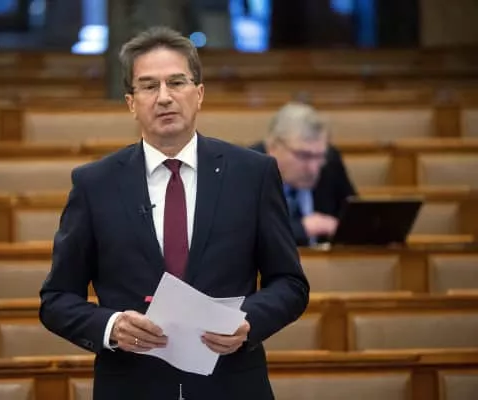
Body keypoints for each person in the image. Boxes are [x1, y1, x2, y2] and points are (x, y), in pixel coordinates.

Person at [39, 26, 309, 400]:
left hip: (231, 385)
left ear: (199, 94)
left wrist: (248, 322)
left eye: (177, 82)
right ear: (131, 103)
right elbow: (56, 299)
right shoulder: (94, 184)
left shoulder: (253, 174)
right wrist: (111, 325)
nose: (164, 97)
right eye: (149, 86)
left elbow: (290, 284)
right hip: (133, 386)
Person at [250, 102, 357, 246]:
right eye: (304, 156)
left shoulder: (330, 162)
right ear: (273, 147)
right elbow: (246, 234)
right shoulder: (248, 169)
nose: (313, 168)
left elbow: (355, 217)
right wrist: (302, 229)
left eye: (319, 156)